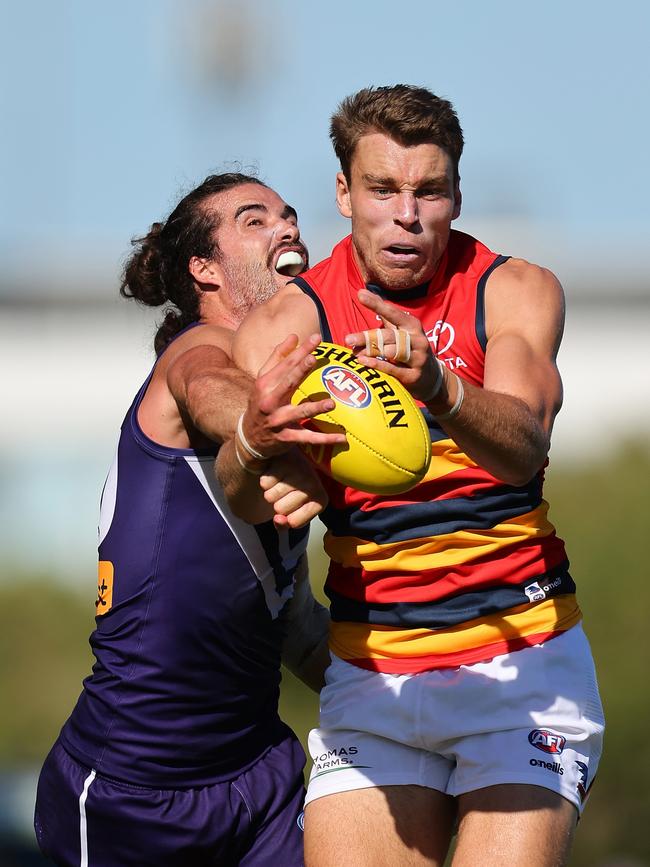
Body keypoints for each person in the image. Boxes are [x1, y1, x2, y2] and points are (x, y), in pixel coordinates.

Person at [230, 87, 605, 866]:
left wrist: (441, 387)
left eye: (429, 190)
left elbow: (524, 443)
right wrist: (255, 452)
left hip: (522, 670)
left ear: (456, 195)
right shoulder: (286, 328)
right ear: (343, 193)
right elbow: (236, 502)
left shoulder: (512, 290)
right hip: (374, 681)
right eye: (383, 189)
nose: (408, 213)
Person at [33, 172, 346, 867]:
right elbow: (213, 388)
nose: (286, 227)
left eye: (289, 215)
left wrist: (420, 678)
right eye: (254, 219)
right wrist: (254, 422)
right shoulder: (193, 354)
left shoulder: (310, 396)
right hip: (131, 788)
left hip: (257, 779)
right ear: (203, 267)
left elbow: (290, 620)